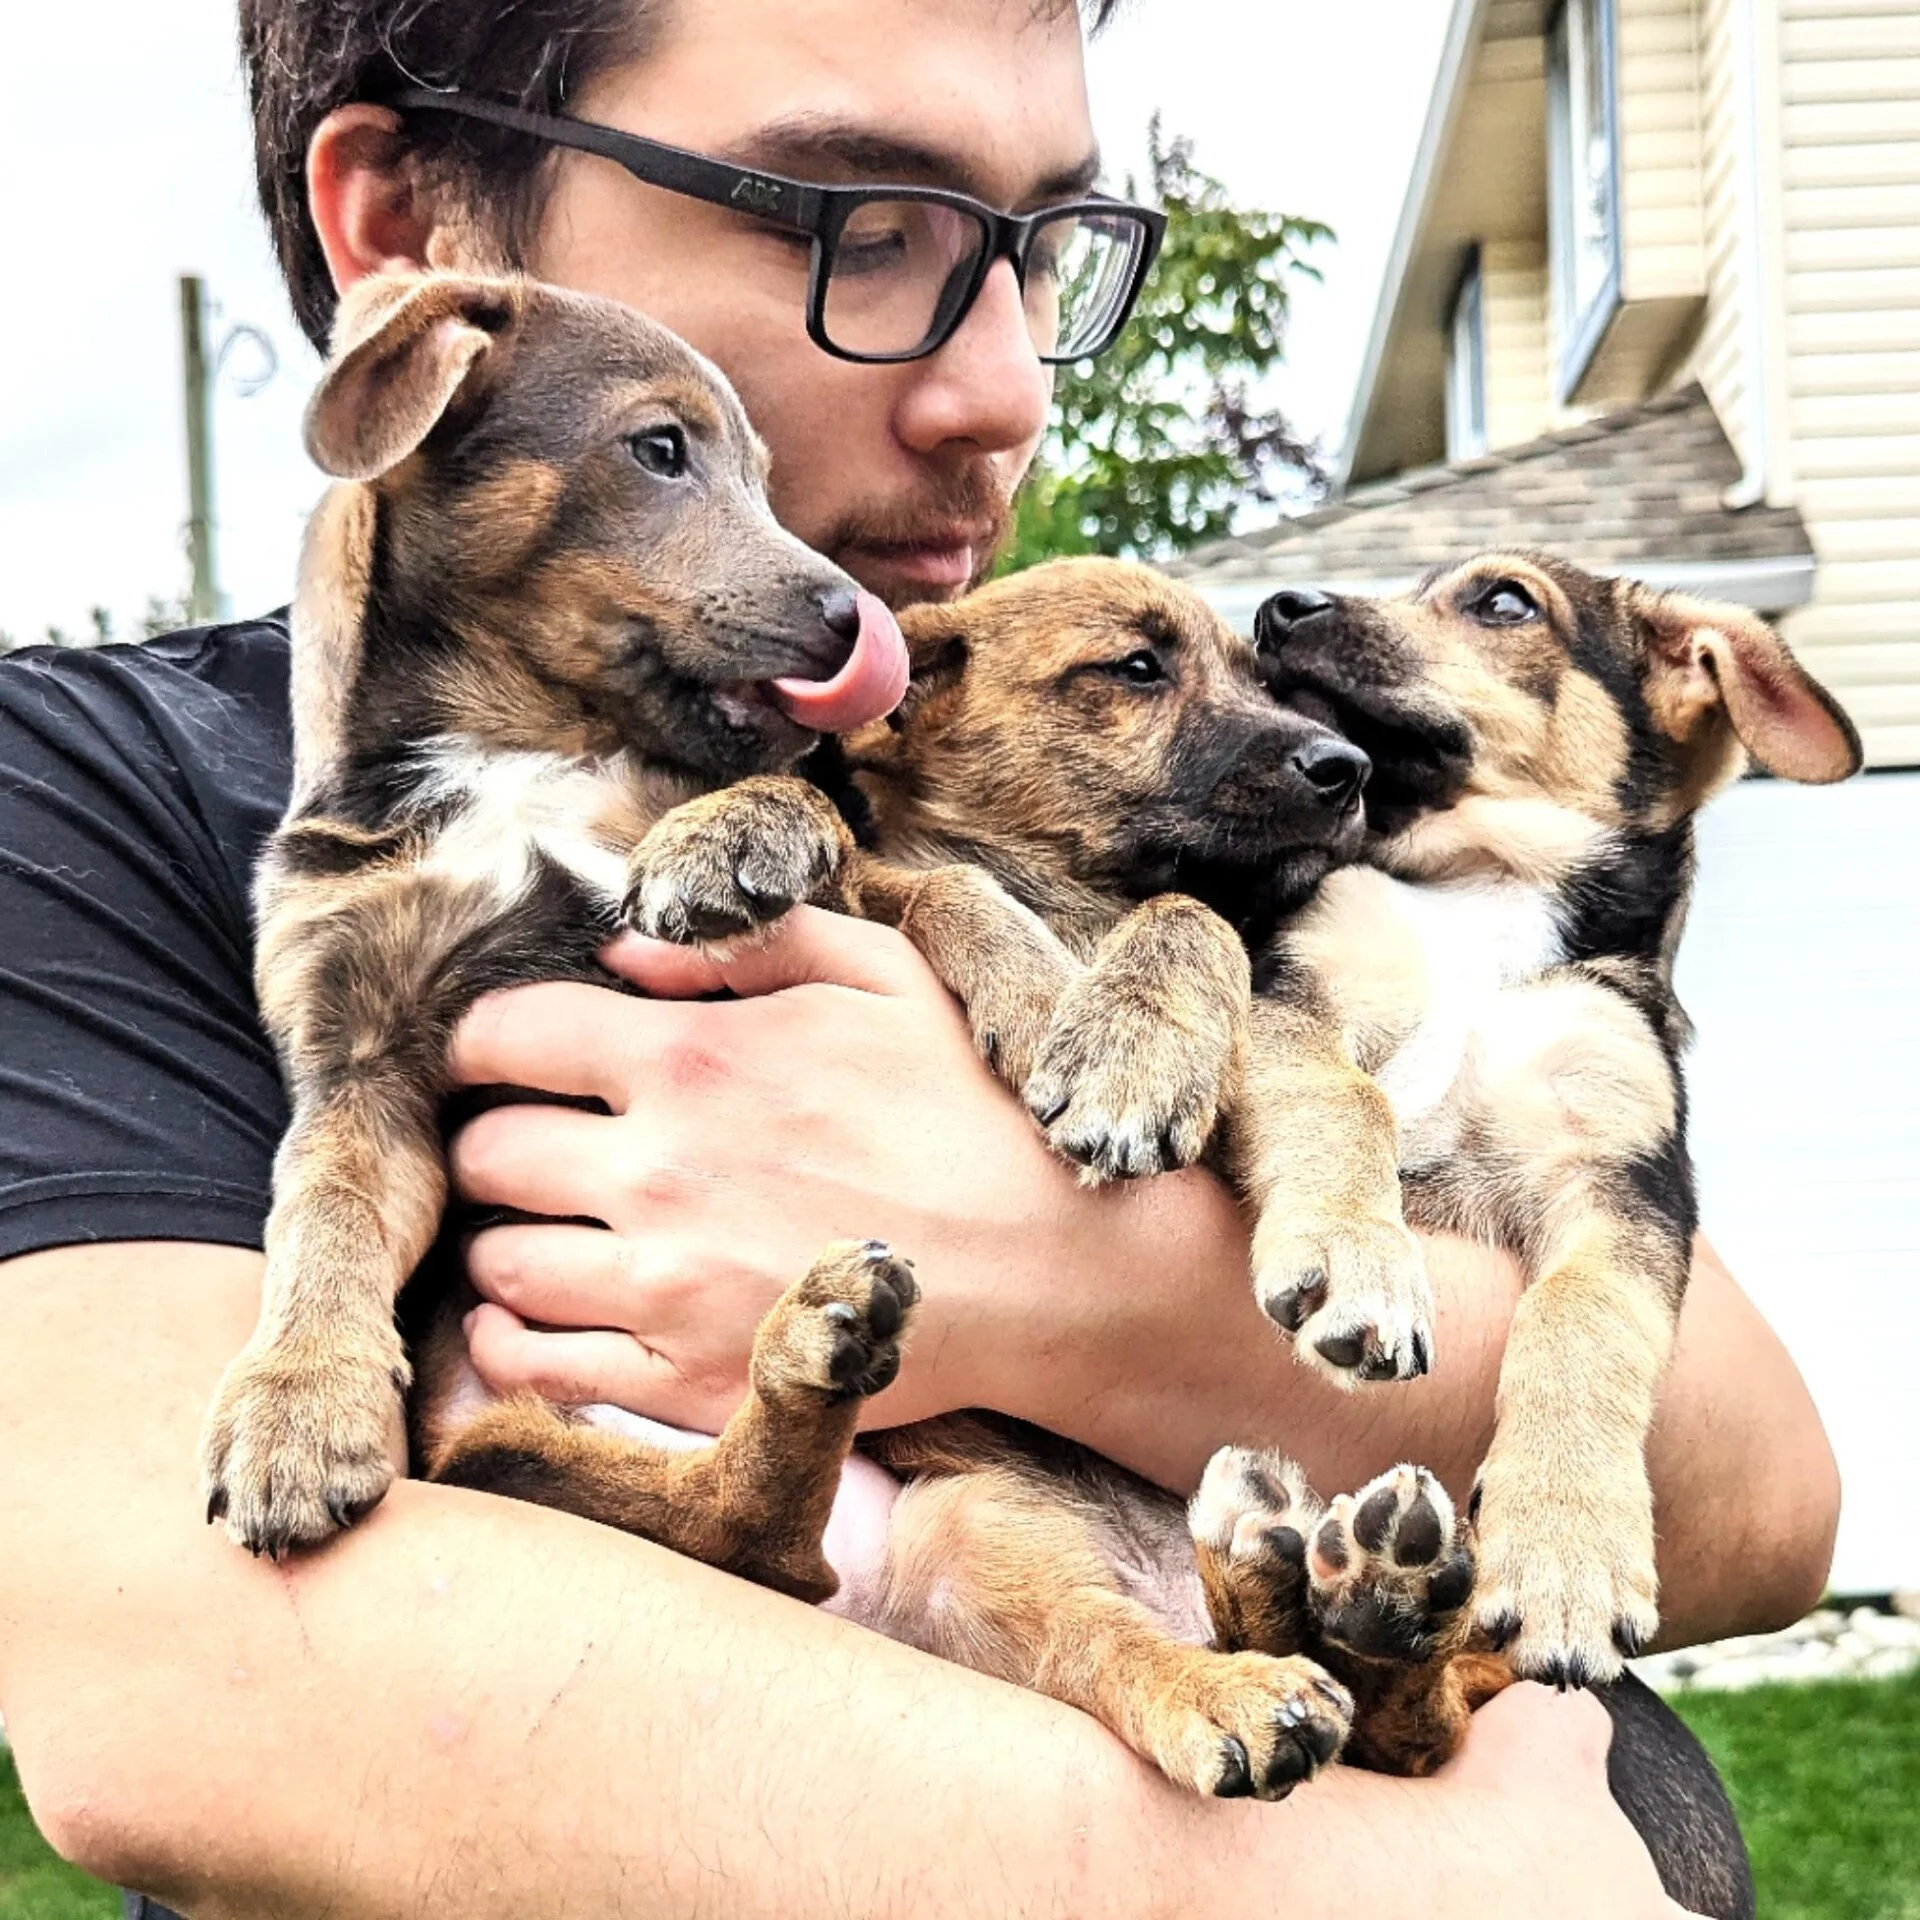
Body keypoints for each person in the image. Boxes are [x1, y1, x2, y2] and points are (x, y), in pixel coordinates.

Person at [0, 0, 1837, 1914]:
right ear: (408, 231)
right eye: (854, 228)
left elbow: (1759, 1485)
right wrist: (1353, 1890)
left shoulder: (1102, 824)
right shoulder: (96, 801)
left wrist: (1087, 1288)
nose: (1006, 392)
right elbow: (176, 1674)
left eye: (1042, 257)